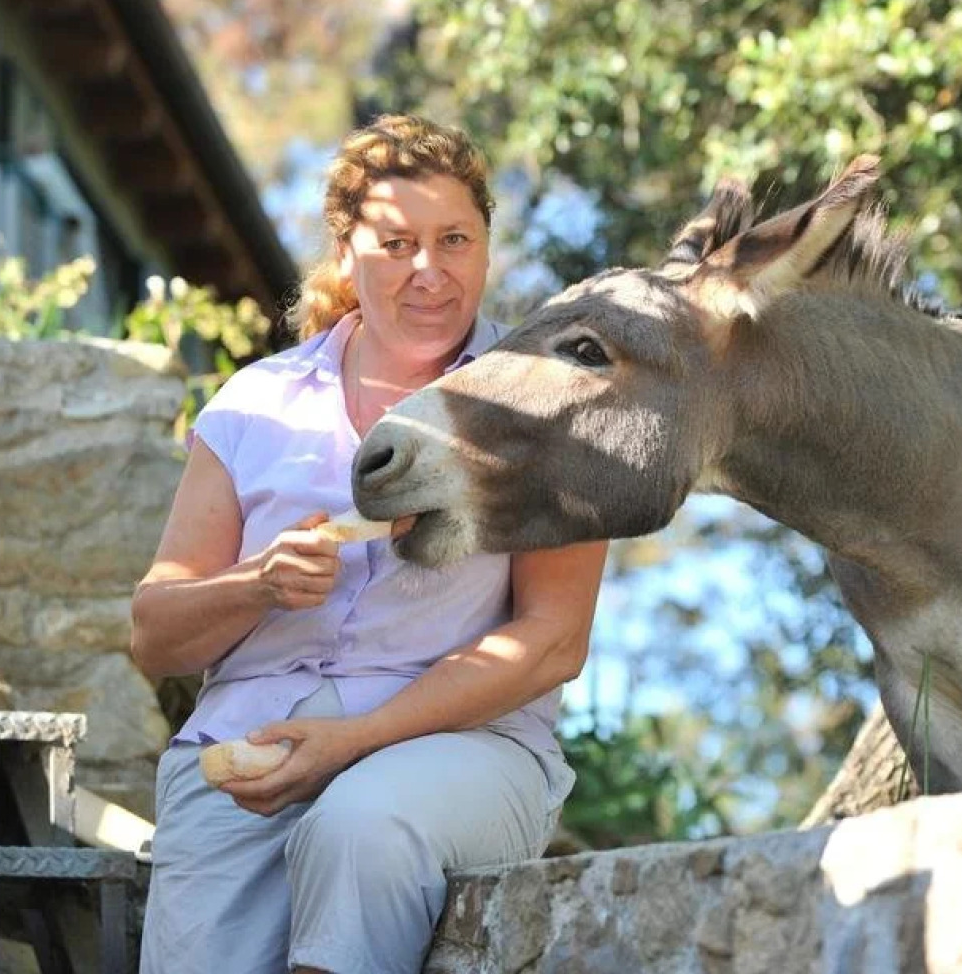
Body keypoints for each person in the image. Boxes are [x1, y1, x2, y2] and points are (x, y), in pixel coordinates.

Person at [131, 114, 608, 974]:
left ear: (485, 248)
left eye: (454, 239)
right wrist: (256, 584)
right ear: (347, 253)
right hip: (243, 754)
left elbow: (553, 641)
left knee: (360, 827)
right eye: (396, 243)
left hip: (463, 749)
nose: (429, 269)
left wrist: (355, 741)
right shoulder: (254, 405)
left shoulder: (546, 410)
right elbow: (155, 636)